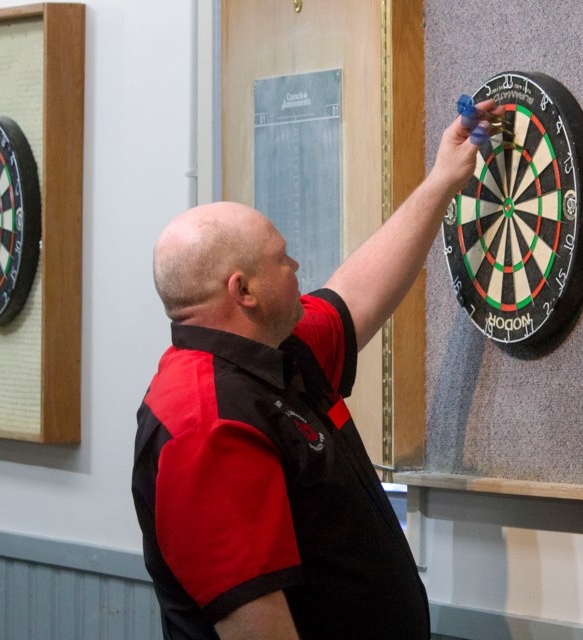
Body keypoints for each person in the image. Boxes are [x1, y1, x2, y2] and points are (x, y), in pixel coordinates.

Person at [132, 99, 501, 639]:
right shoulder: (206, 423)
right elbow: (255, 625)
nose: (297, 266)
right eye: (282, 258)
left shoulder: (274, 354)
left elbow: (356, 292)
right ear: (244, 291)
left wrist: (443, 180)